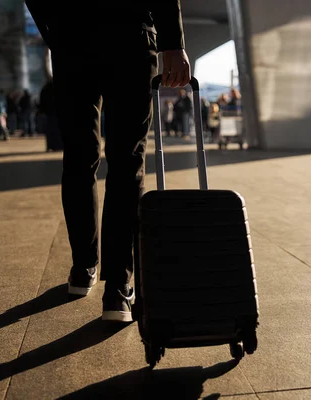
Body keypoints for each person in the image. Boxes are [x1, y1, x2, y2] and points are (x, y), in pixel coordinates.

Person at [25, 1, 191, 322]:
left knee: (78, 157)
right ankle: (117, 287)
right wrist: (173, 43)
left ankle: (84, 266)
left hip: (71, 37)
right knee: (126, 161)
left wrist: (55, 31)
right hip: (129, 34)